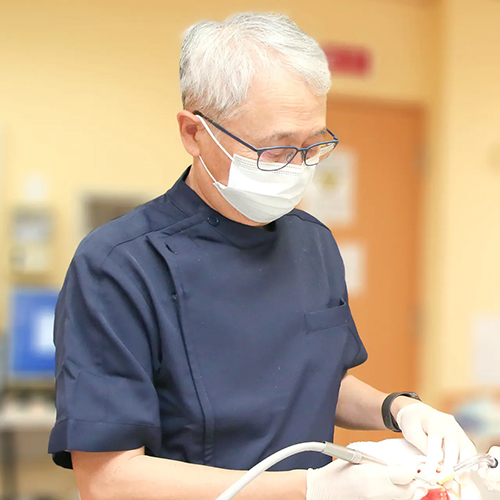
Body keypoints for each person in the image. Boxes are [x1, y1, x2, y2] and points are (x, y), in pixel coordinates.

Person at [48, 12, 478, 500]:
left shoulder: (313, 243)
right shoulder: (119, 266)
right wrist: (312, 487)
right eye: (275, 150)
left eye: (313, 145)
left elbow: (315, 379)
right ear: (194, 133)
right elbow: (108, 481)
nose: (298, 167)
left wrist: (399, 409)